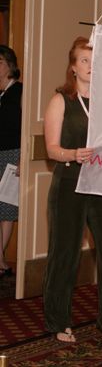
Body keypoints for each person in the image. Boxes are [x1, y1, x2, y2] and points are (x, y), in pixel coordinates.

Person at [43, 36, 102, 349]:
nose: (90, 67)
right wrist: (72, 154)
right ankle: (59, 322)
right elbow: (51, 150)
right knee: (65, 255)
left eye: (95, 61)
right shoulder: (61, 101)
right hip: (70, 185)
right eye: (84, 60)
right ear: (73, 67)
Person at [0, 45, 22, 278]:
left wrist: (23, 157)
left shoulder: (20, 92)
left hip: (11, 154)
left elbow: (26, 127)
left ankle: (0, 259)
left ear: (10, 65)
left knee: (6, 208)